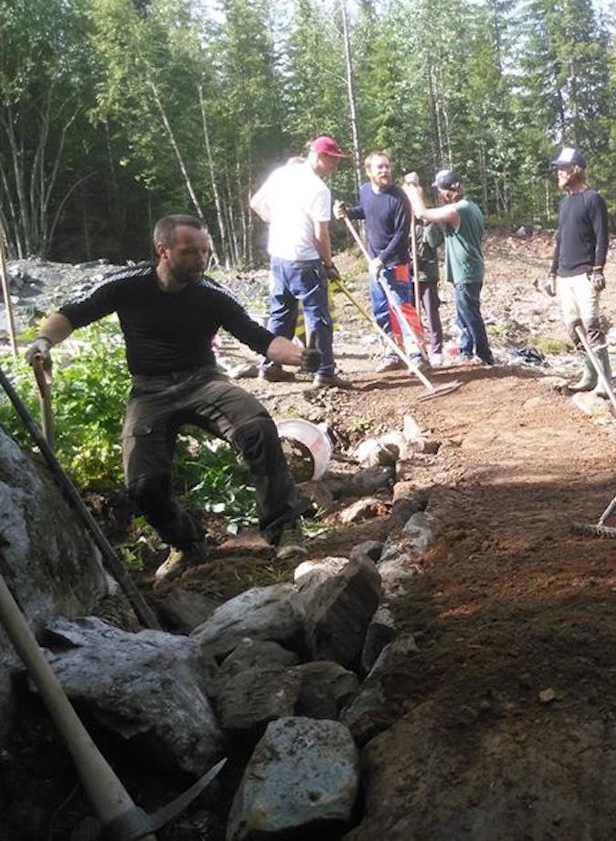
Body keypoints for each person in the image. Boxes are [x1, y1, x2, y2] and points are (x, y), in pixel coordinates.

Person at [24, 215, 322, 580]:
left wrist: (300, 356)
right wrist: (43, 341)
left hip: (203, 381)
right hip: (149, 390)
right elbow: (72, 314)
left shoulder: (211, 293)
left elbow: (257, 337)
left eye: (206, 251)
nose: (201, 259)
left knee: (256, 427)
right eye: (191, 251)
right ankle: (186, 542)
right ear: (163, 250)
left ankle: (284, 527)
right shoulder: (127, 284)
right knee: (143, 485)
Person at [249, 135, 349, 388]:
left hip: (279, 256)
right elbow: (321, 234)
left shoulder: (282, 174)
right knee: (318, 317)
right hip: (305, 260)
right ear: (319, 156)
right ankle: (324, 372)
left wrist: (277, 222)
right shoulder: (318, 189)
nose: (335, 166)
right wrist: (329, 264)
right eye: (332, 160)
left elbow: (256, 203)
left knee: (280, 314)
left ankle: (270, 366)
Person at [334, 152, 428, 374]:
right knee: (381, 310)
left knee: (402, 308)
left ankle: (417, 353)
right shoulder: (366, 191)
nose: (385, 171)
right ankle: (392, 352)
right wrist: (347, 212)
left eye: (387, 166)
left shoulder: (398, 198)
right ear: (369, 171)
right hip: (374, 263)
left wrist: (382, 259)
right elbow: (366, 211)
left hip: (396, 263)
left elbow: (401, 234)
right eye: (380, 167)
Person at [545, 147, 611, 396]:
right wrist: (552, 273)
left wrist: (598, 269)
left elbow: (602, 237)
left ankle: (605, 379)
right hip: (565, 274)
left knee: (591, 324)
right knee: (573, 326)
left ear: (576, 169)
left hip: (585, 273)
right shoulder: (565, 203)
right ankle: (589, 374)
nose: (559, 173)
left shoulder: (592, 199)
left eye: (563, 168)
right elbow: (560, 239)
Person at [413, 169, 493, 366]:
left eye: (441, 191)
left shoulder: (459, 209)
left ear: (449, 191)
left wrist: (414, 192)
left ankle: (484, 354)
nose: (440, 195)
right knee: (463, 315)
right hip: (468, 269)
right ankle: (466, 351)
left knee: (470, 314)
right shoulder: (471, 207)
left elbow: (422, 213)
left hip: (466, 270)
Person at [403, 172, 446, 365]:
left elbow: (435, 241)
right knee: (411, 314)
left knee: (431, 312)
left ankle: (436, 350)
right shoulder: (403, 220)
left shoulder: (430, 218)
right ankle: (417, 349)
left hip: (427, 274)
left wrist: (425, 223)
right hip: (408, 274)